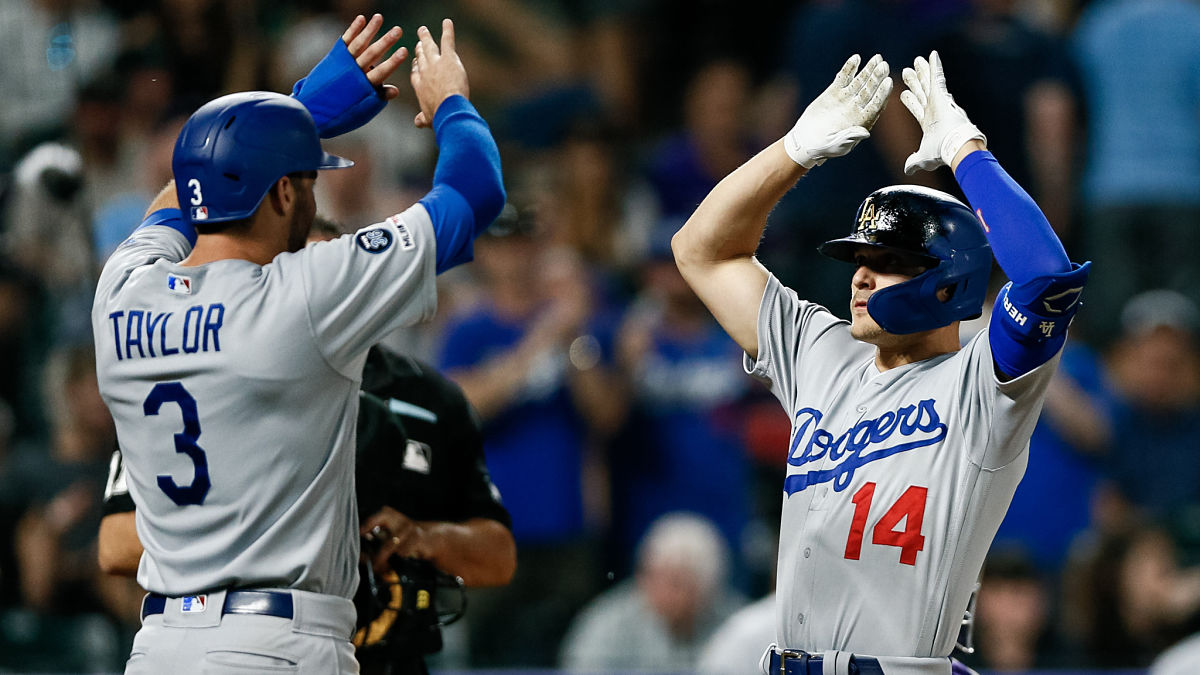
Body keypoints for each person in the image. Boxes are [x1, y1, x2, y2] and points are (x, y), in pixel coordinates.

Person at [90, 13, 505, 674]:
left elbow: (173, 201)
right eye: (309, 178)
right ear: (284, 191)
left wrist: (286, 116)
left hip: (161, 644)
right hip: (272, 645)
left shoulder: (123, 288)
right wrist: (452, 101)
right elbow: (476, 193)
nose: (315, 191)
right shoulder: (302, 295)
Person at [671, 49, 1089, 675]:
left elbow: (1047, 278)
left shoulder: (985, 388)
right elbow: (700, 251)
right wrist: (794, 152)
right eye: (858, 259)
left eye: (888, 259)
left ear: (951, 283)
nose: (862, 274)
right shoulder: (824, 351)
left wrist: (965, 149)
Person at [558, 512, 746, 672]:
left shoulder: (738, 623)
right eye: (653, 576)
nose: (662, 591)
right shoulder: (606, 623)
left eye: (677, 583)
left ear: (707, 588)